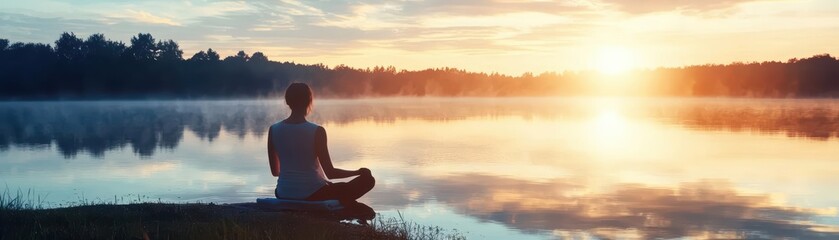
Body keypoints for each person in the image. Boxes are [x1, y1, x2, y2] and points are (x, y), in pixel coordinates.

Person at [268, 83, 375, 203]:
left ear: (288, 102)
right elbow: (330, 173)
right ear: (309, 101)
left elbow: (275, 172)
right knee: (368, 180)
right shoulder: (316, 131)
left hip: (283, 192)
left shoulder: (273, 129)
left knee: (329, 185)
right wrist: (358, 172)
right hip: (314, 194)